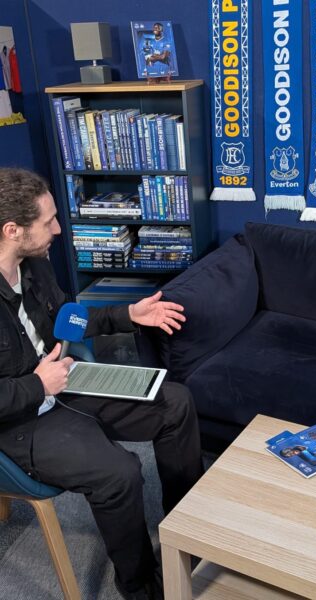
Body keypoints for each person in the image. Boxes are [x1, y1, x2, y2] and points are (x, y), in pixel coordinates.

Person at [0, 168, 204, 600]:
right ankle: (139, 585)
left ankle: (187, 532)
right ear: (12, 230)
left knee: (175, 402)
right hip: (19, 422)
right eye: (49, 221)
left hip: (65, 382)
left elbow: (68, 317)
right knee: (119, 473)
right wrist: (38, 385)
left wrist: (127, 315)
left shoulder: (34, 265)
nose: (59, 229)